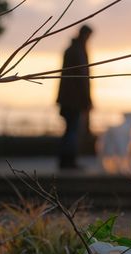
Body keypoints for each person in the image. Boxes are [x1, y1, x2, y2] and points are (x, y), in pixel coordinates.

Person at [56, 25, 93, 169]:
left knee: (69, 130)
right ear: (85, 35)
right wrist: (87, 100)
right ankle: (69, 161)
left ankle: (65, 161)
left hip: (67, 99)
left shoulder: (70, 50)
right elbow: (82, 78)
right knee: (72, 131)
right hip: (74, 100)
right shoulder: (79, 51)